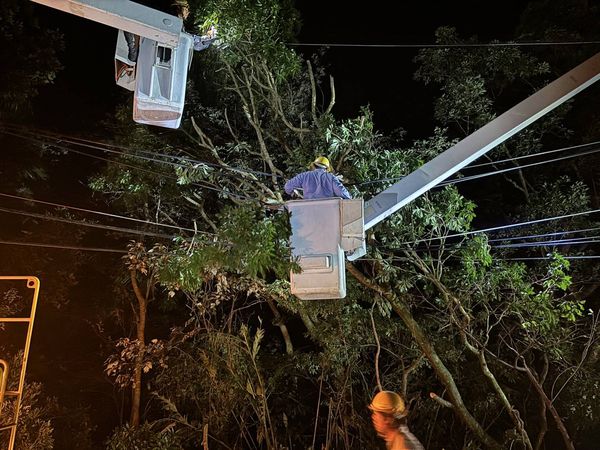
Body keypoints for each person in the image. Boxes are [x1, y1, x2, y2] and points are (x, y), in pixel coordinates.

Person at [284, 156, 351, 200]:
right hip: (328, 211)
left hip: (308, 211)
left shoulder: (304, 176)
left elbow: (287, 186)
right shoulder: (331, 177)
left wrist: (293, 194)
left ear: (313, 165)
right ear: (327, 168)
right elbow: (342, 192)